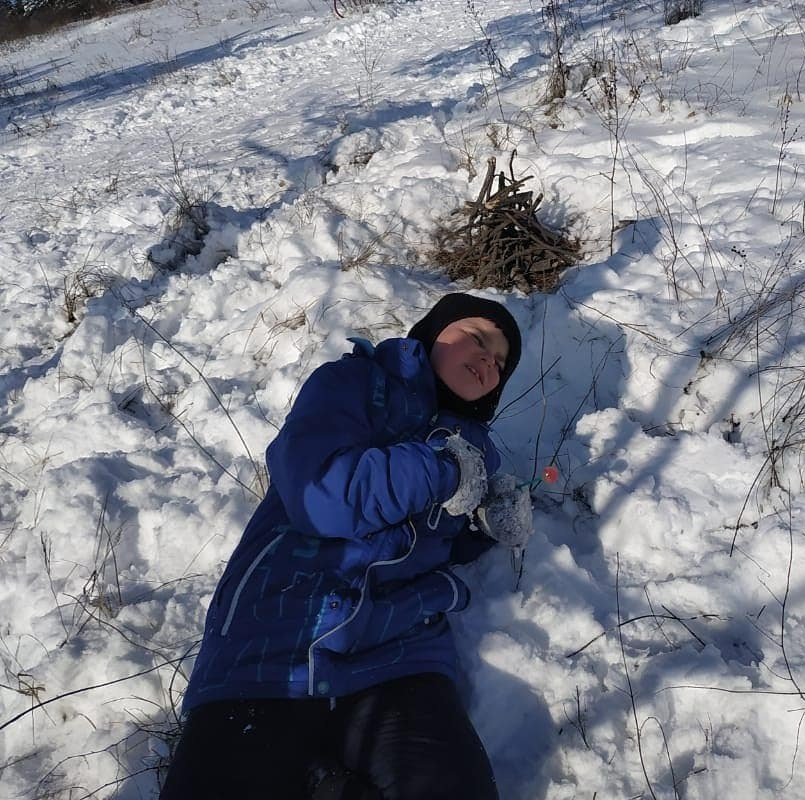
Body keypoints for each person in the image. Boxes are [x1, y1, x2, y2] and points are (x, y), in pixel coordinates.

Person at [159, 293, 531, 800]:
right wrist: (444, 472)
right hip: (275, 639)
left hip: (401, 651)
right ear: (432, 331)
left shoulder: (475, 450)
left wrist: (484, 526)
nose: (489, 359)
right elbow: (323, 496)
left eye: (501, 362)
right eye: (478, 338)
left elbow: (438, 542)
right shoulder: (352, 383)